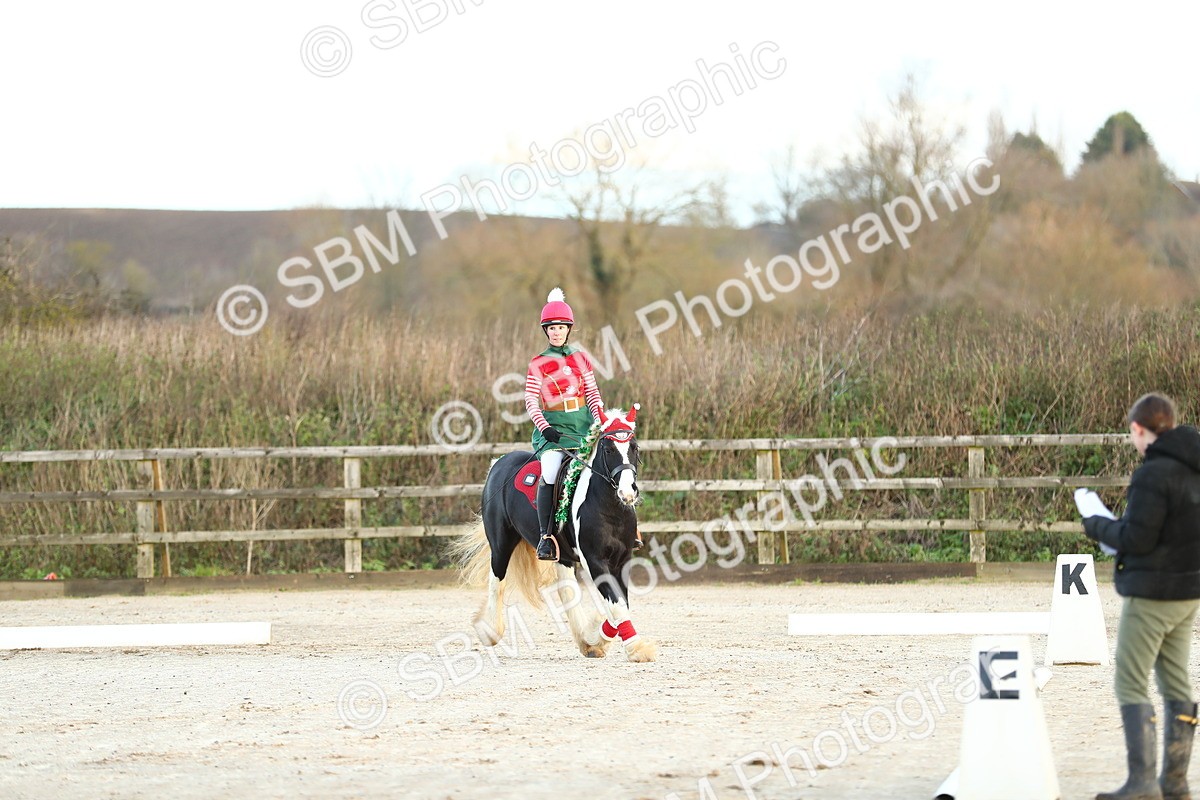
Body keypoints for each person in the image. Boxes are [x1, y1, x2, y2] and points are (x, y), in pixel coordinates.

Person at [1082, 392, 1200, 800]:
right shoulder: (1195, 466)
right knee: (1176, 681)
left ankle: (1142, 782)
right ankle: (1176, 782)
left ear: (1138, 430)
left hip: (1153, 593)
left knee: (1130, 681)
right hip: (1189, 592)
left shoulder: (1154, 473)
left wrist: (1096, 525)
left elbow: (1137, 538)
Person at [525, 288, 604, 561]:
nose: (557, 332)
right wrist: (544, 426)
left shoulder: (581, 358)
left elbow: (593, 395)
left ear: (568, 329)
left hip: (583, 426)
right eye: (552, 328)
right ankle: (546, 536)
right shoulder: (539, 363)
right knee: (549, 472)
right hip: (553, 429)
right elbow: (531, 401)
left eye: (561, 327)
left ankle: (628, 529)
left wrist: (601, 419)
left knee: (609, 465)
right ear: (546, 331)